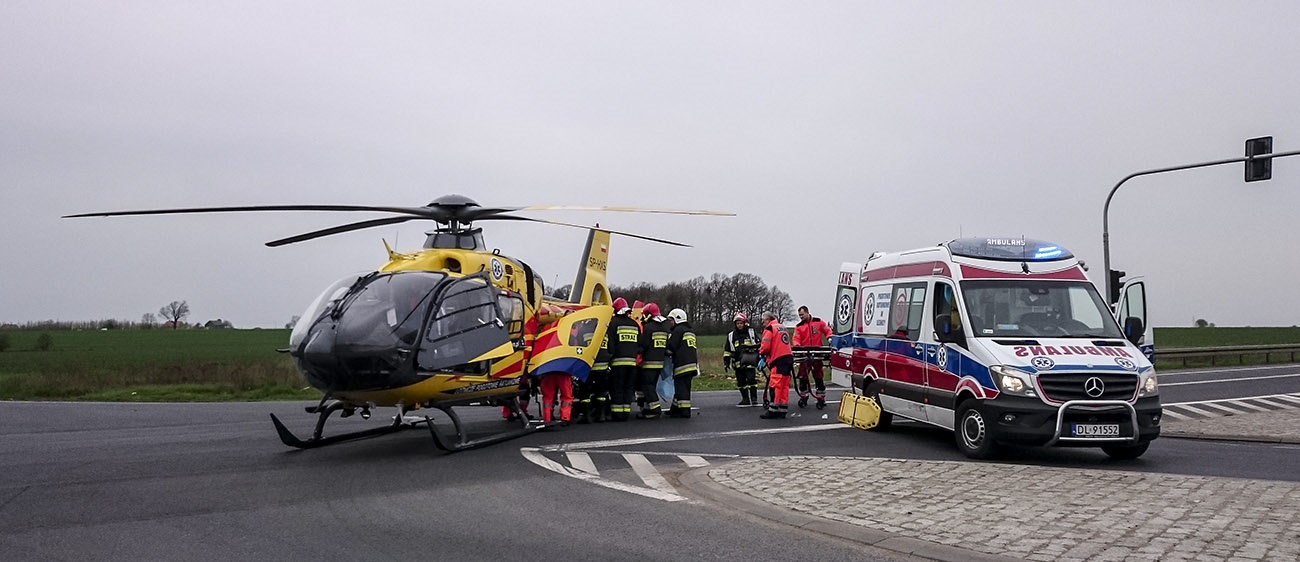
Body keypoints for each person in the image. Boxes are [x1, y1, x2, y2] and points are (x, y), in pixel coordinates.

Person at [607, 297, 641, 421]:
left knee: (617, 388)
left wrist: (610, 357)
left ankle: (617, 414)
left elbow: (611, 343)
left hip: (617, 363)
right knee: (628, 387)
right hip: (632, 364)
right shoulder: (634, 324)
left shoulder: (614, 323)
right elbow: (639, 344)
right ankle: (626, 412)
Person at [793, 305, 832, 409]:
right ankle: (804, 396)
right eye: (799, 315)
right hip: (805, 355)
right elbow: (796, 338)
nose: (800, 317)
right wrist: (797, 346)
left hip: (817, 354)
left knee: (818, 376)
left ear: (807, 312)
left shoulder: (818, 322)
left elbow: (827, 330)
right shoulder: (799, 327)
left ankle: (821, 398)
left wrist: (829, 338)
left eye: (802, 314)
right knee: (802, 377)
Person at [758, 312, 794, 419]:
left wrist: (761, 354)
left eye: (763, 321)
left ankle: (773, 410)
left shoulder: (769, 329)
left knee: (775, 385)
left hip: (778, 360)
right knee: (784, 385)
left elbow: (765, 347)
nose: (763, 323)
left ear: (768, 320)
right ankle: (782, 410)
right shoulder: (782, 327)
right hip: (788, 359)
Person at [637, 302, 669, 419]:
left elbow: (644, 345)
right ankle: (648, 408)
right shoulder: (664, 328)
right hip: (659, 363)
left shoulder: (648, 328)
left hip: (648, 363)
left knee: (647, 386)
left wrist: (636, 350)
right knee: (652, 386)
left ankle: (655, 410)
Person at [664, 308, 698, 418]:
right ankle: (674, 409)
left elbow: (671, 346)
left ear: (677, 319)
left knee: (682, 388)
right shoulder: (690, 331)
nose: (670, 323)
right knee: (681, 387)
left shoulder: (678, 330)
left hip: (682, 364)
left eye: (672, 320)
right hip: (692, 364)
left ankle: (684, 411)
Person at [723, 312, 761, 406]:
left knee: (751, 380)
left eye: (741, 323)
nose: (739, 325)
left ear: (745, 323)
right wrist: (726, 362)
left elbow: (759, 345)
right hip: (737, 362)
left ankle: (754, 398)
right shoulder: (731, 335)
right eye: (738, 323)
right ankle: (745, 399)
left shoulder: (751, 332)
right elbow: (727, 350)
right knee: (741, 381)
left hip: (750, 361)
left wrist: (760, 356)